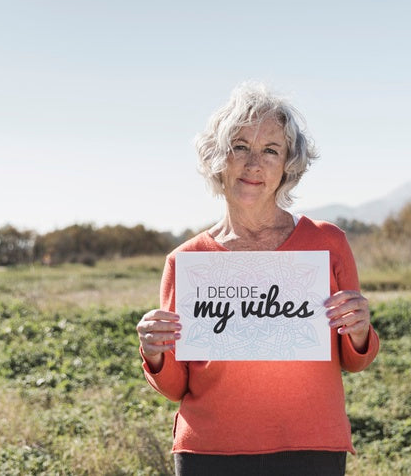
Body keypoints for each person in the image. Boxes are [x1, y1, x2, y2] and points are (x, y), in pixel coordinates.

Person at [136, 82, 380, 476]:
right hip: (210, 453)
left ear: (288, 165)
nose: (254, 164)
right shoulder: (186, 261)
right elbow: (176, 386)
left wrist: (359, 329)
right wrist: (154, 352)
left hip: (311, 444)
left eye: (271, 150)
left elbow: (355, 359)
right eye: (240, 147)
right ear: (218, 158)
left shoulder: (327, 242)